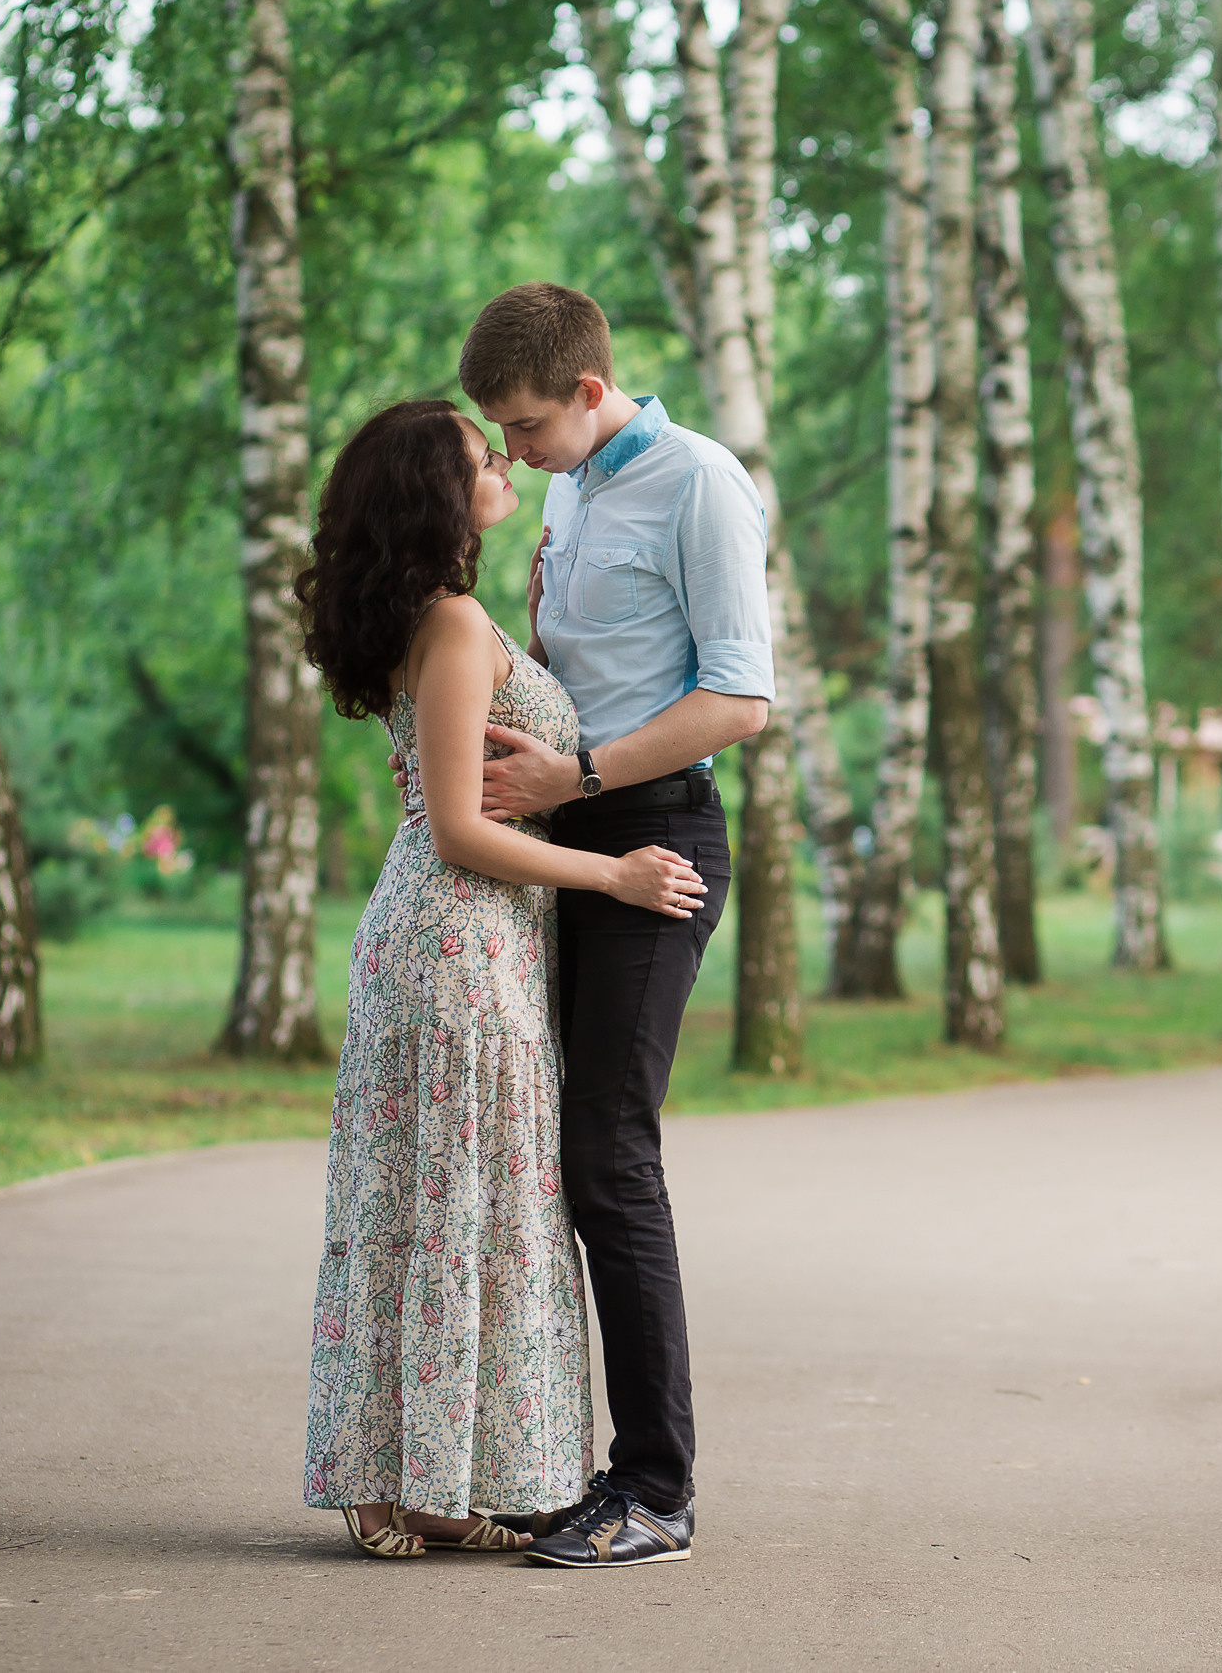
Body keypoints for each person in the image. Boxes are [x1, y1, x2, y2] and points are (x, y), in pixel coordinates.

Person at [395, 283, 773, 1568]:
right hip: (557, 852)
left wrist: (580, 778)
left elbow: (738, 699)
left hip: (651, 835)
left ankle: (654, 1492)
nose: (508, 454)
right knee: (549, 1156)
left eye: (523, 427)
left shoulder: (699, 483)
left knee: (610, 1153)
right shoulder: (573, 485)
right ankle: (551, 1467)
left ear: (592, 394)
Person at [297, 398, 711, 1560]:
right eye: (485, 455)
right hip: (456, 944)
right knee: (446, 1210)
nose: (505, 459)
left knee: (444, 1208)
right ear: (441, 495)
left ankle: (430, 1479)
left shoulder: (453, 620)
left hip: (469, 946)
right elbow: (458, 831)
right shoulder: (452, 623)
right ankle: (390, 1482)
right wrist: (611, 876)